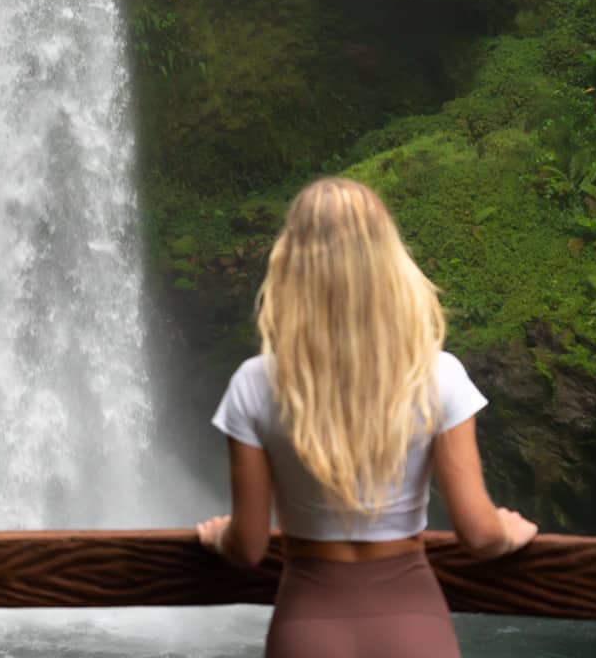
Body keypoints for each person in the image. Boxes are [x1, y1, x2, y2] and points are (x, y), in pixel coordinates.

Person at [195, 177, 538, 658]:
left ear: (292, 263)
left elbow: (248, 548)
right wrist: (510, 532)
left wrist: (218, 537)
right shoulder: (437, 374)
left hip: (307, 627)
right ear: (387, 260)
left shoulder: (256, 382)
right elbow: (479, 534)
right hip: (415, 626)